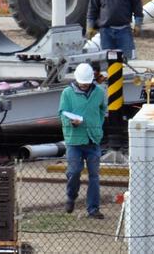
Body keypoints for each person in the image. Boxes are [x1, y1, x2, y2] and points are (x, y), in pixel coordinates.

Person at [60, 62, 108, 219]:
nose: (85, 86)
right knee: (74, 172)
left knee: (94, 176)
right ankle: (71, 197)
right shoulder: (67, 93)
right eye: (82, 83)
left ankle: (93, 209)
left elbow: (102, 111)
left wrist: (97, 127)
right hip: (74, 140)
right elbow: (62, 113)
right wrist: (70, 122)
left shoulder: (99, 92)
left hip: (93, 140)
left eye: (87, 83)